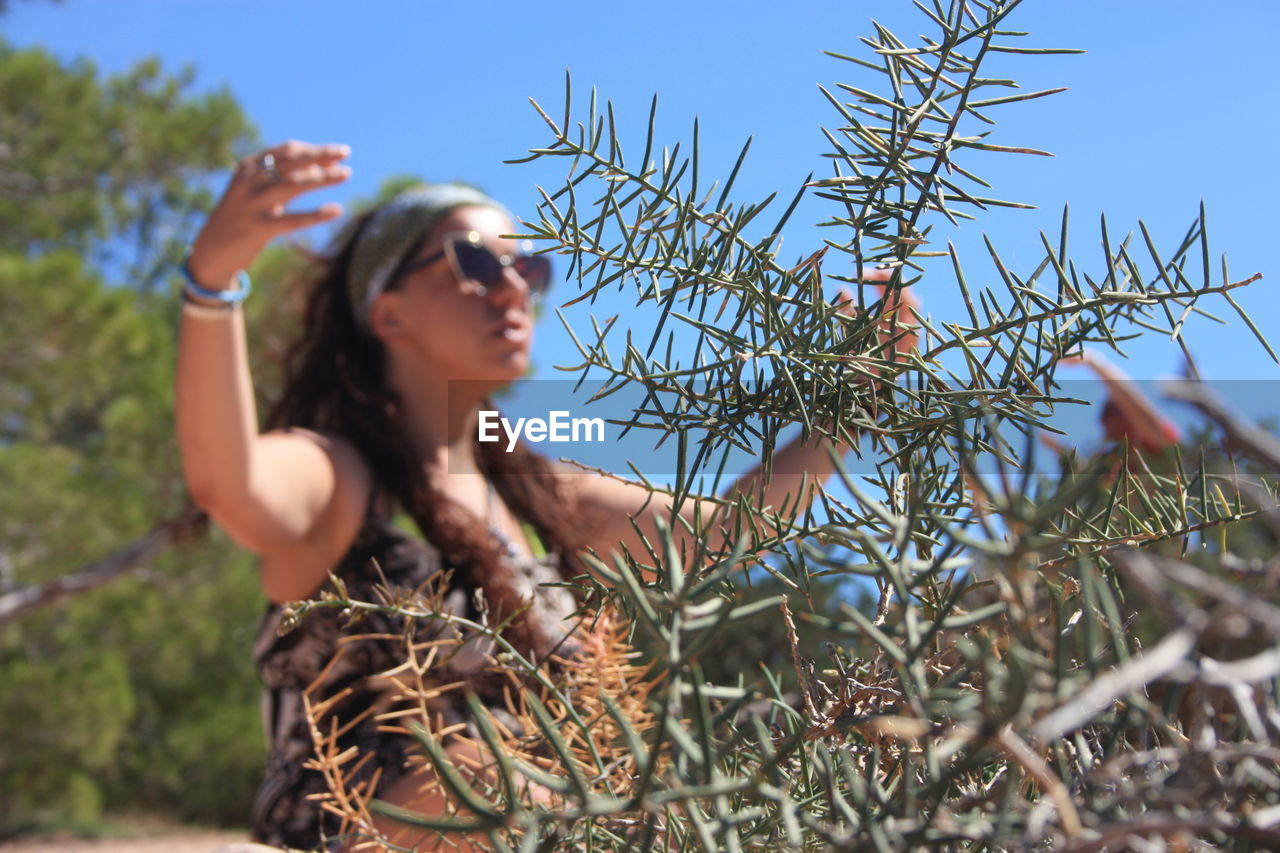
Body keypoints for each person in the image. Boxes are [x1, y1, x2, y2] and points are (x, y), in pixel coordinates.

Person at [177, 140, 917, 851]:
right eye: (474, 262)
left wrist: (845, 409)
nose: (513, 288)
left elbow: (726, 530)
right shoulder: (340, 474)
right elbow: (230, 482)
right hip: (359, 839)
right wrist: (212, 284)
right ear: (388, 312)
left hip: (562, 830)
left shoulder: (538, 494)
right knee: (482, 776)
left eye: (528, 267)